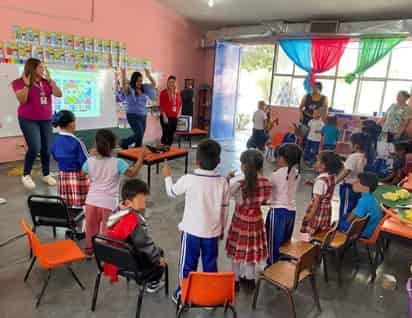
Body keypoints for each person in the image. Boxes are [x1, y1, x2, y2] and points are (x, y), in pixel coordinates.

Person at [162, 139, 230, 302]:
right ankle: (210, 296)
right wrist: (222, 229)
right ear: (219, 161)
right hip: (212, 233)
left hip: (191, 232)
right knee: (210, 265)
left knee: (187, 265)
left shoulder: (189, 179)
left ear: (196, 161)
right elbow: (225, 209)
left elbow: (171, 192)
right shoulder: (222, 182)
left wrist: (167, 176)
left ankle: (182, 295)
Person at [82, 129, 147, 257]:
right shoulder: (118, 163)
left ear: (96, 144)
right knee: (107, 231)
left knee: (90, 228)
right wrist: (141, 158)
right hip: (108, 203)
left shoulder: (89, 161)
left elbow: (82, 173)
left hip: (91, 201)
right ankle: (106, 254)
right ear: (113, 146)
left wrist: (91, 156)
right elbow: (133, 173)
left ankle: (89, 252)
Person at [104, 179, 166, 293]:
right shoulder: (133, 220)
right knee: (158, 253)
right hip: (132, 260)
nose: (145, 201)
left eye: (144, 197)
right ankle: (153, 282)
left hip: (116, 257)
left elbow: (109, 226)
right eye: (141, 199)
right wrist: (158, 258)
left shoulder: (116, 212)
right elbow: (144, 243)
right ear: (128, 203)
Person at [12, 58, 62, 190]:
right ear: (32, 68)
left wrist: (52, 82)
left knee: (46, 148)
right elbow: (22, 100)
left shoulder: (46, 82)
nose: (43, 69)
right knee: (35, 147)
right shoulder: (19, 82)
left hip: (46, 119)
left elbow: (59, 94)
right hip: (28, 119)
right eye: (40, 67)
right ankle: (26, 174)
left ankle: (46, 174)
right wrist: (27, 85)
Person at [225, 150, 271, 291]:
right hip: (256, 221)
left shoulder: (238, 184)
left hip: (240, 222)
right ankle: (250, 279)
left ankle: (235, 280)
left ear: (244, 166)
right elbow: (265, 200)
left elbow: (225, 194)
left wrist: (227, 178)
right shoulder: (267, 183)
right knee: (251, 251)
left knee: (236, 252)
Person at [266, 143, 302, 265]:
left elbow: (268, 195)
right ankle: (282, 265)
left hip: (277, 212)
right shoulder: (297, 173)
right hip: (291, 211)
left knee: (273, 241)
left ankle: (271, 267)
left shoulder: (275, 175)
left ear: (281, 158)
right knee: (285, 242)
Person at [51, 110, 89, 207]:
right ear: (71, 124)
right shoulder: (77, 142)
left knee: (66, 205)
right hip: (78, 178)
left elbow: (55, 157)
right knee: (82, 205)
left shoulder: (55, 141)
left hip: (63, 177)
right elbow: (86, 164)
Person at [301, 151, 343, 236]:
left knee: (313, 233)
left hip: (318, 211)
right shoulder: (332, 177)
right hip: (326, 209)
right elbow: (326, 187)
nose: (315, 163)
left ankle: (312, 246)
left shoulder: (320, 181)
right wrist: (314, 183)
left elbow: (317, 202)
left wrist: (310, 215)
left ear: (323, 166)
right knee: (320, 231)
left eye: (317, 161)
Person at [335, 133, 368, 232]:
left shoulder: (354, 156)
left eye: (350, 142)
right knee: (352, 209)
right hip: (357, 186)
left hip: (348, 187)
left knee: (345, 210)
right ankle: (348, 229)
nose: (349, 144)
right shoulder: (363, 156)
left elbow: (347, 170)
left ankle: (341, 232)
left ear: (356, 145)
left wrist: (335, 181)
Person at [120, 68, 157, 149]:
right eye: (138, 81)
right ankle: (125, 143)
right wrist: (123, 73)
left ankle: (135, 149)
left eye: (141, 80)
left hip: (143, 116)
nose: (140, 82)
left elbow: (154, 84)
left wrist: (149, 75)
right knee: (139, 134)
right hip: (132, 116)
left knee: (140, 136)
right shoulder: (129, 89)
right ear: (134, 80)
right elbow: (123, 84)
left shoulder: (144, 88)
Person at [347, 172, 382, 239]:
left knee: (339, 225)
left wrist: (345, 224)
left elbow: (355, 222)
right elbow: (355, 210)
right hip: (373, 229)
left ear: (366, 187)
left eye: (357, 182)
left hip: (364, 232)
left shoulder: (364, 201)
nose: (354, 184)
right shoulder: (371, 196)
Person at [159, 75, 182, 146]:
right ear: (167, 83)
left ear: (175, 83)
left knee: (171, 134)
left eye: (173, 82)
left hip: (174, 117)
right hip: (166, 117)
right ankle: (163, 148)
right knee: (166, 134)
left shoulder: (177, 93)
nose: (172, 84)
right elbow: (161, 105)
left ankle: (168, 148)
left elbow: (180, 104)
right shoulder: (164, 92)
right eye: (170, 82)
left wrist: (179, 113)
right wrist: (164, 116)